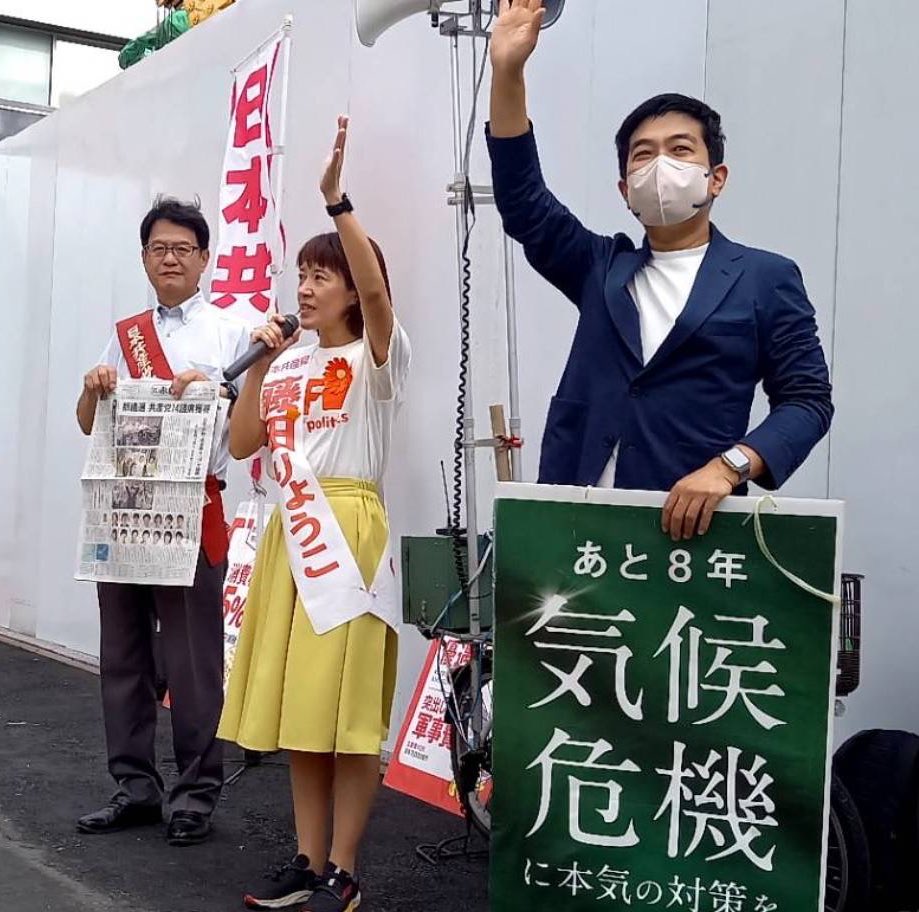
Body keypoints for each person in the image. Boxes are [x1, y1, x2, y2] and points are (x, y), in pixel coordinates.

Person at [486, 1, 833, 538]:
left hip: (688, 531)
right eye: (642, 155)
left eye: (680, 149)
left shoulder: (765, 279)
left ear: (716, 177)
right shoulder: (599, 268)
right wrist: (508, 72)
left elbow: (807, 402)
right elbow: (523, 200)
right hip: (574, 521)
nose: (660, 165)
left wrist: (730, 467)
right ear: (625, 190)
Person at [219, 116, 411, 912]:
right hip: (289, 535)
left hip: (348, 534)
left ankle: (344, 867)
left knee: (348, 711)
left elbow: (378, 294)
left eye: (321, 275)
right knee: (303, 708)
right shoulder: (289, 359)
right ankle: (305, 860)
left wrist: (338, 203)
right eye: (300, 274)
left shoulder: (377, 355)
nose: (304, 287)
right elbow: (241, 444)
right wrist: (259, 366)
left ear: (351, 288)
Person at [75, 197, 250, 846]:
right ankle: (135, 787)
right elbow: (88, 422)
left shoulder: (233, 332)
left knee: (193, 659)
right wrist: (93, 385)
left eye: (182, 249)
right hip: (124, 507)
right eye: (158, 248)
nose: (169, 258)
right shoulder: (125, 336)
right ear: (144, 258)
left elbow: (253, 418)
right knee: (122, 654)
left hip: (192, 505)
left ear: (204, 259)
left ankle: (195, 795)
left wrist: (220, 388)